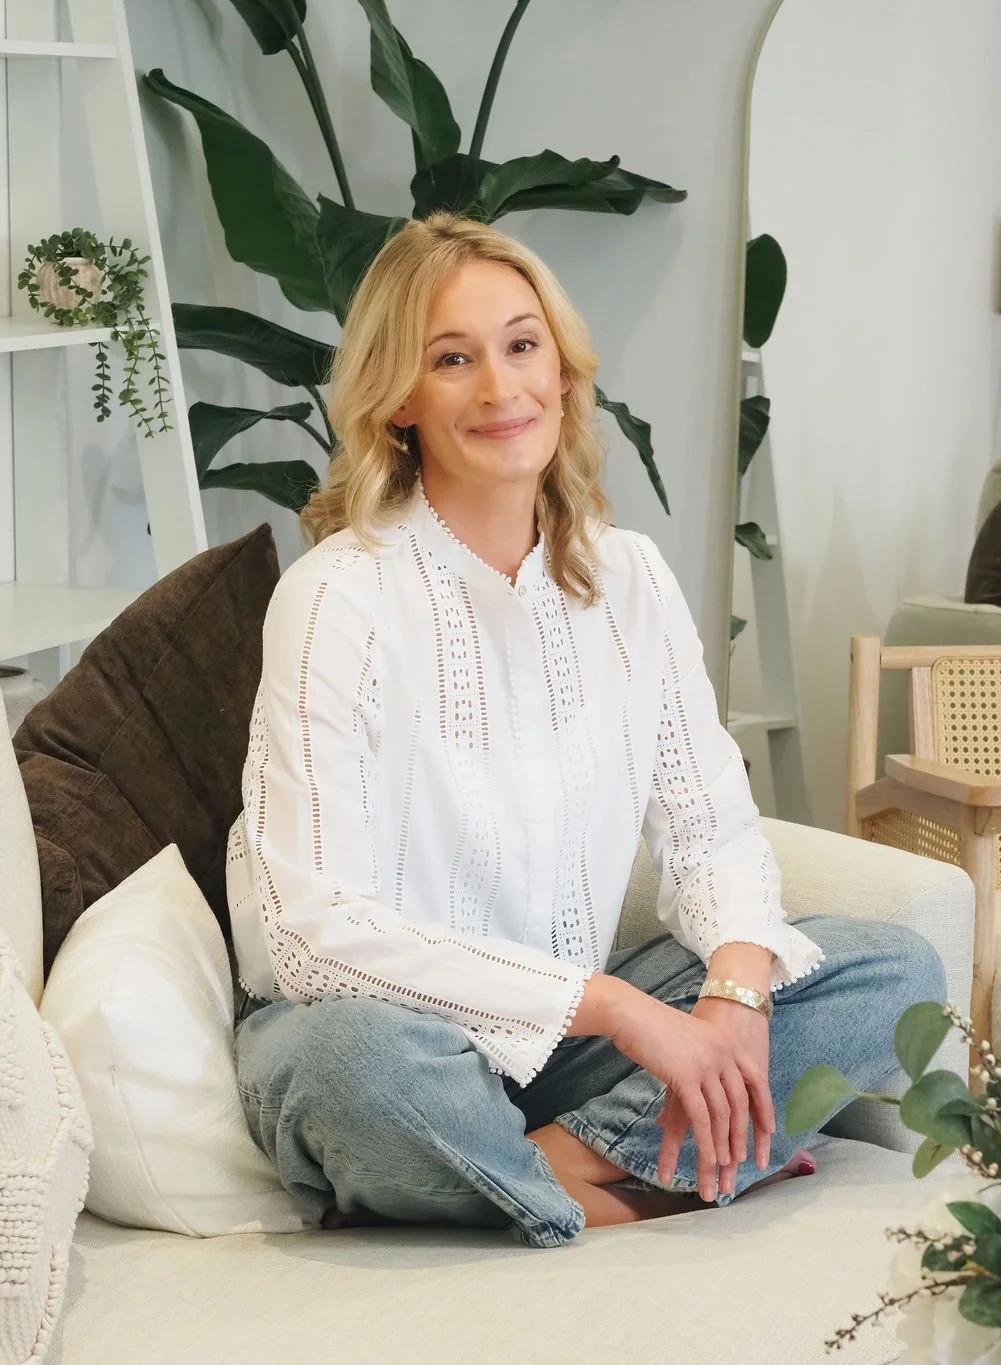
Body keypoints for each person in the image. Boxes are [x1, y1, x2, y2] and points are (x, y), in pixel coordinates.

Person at [226, 211, 945, 1250]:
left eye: (522, 346)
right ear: (396, 404)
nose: (499, 387)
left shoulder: (630, 580)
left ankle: (531, 1179)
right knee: (353, 1072)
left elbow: (712, 833)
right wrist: (614, 1006)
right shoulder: (335, 596)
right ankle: (644, 1180)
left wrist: (735, 993)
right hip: (387, 1035)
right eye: (451, 359)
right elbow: (310, 935)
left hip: (564, 1051)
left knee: (891, 971)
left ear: (562, 372)